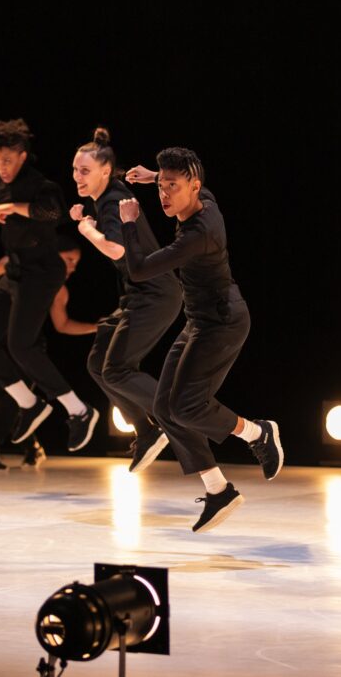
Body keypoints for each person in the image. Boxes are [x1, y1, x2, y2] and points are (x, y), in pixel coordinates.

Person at [119, 148, 282, 533]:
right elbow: (184, 182)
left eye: (172, 187)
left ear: (194, 186)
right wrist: (150, 176)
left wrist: (130, 222)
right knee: (164, 407)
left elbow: (140, 269)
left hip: (222, 323)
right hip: (198, 320)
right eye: (161, 186)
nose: (164, 195)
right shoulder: (204, 199)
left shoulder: (199, 234)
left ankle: (259, 432)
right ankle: (218, 489)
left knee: (188, 407)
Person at [0, 119, 99, 472]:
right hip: (16, 273)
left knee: (21, 346)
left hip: (42, 273)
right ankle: (31, 405)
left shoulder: (41, 185)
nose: (2, 168)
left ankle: (80, 411)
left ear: (23, 156)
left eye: (8, 160)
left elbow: (52, 212)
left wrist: (14, 209)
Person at [67, 127, 184, 473]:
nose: (77, 176)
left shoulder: (114, 201)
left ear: (105, 171)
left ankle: (176, 412)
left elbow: (116, 248)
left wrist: (86, 229)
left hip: (156, 295)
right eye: (75, 170)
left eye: (84, 171)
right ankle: (146, 431)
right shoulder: (106, 197)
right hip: (137, 294)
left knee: (116, 370)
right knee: (98, 364)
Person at [0, 236, 97, 470]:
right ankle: (27, 432)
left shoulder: (58, 290)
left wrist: (97, 327)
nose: (73, 267)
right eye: (69, 259)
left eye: (76, 262)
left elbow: (62, 324)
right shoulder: (23, 262)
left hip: (25, 347)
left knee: (10, 399)